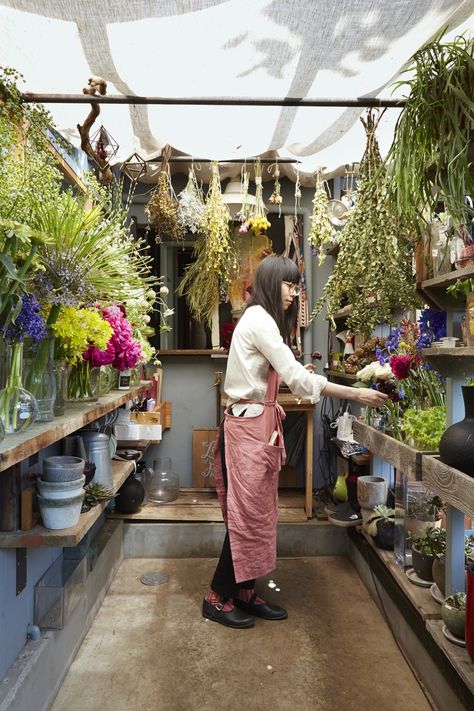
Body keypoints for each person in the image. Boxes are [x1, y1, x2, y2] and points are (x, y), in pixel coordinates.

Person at [202, 255, 388, 629]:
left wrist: (290, 373)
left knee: (257, 514)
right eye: (289, 285)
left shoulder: (259, 320)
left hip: (253, 427)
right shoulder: (260, 321)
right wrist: (356, 394)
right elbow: (300, 382)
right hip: (248, 430)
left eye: (297, 286)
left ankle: (243, 591)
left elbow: (275, 372)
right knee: (246, 517)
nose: (294, 294)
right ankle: (216, 597)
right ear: (273, 283)